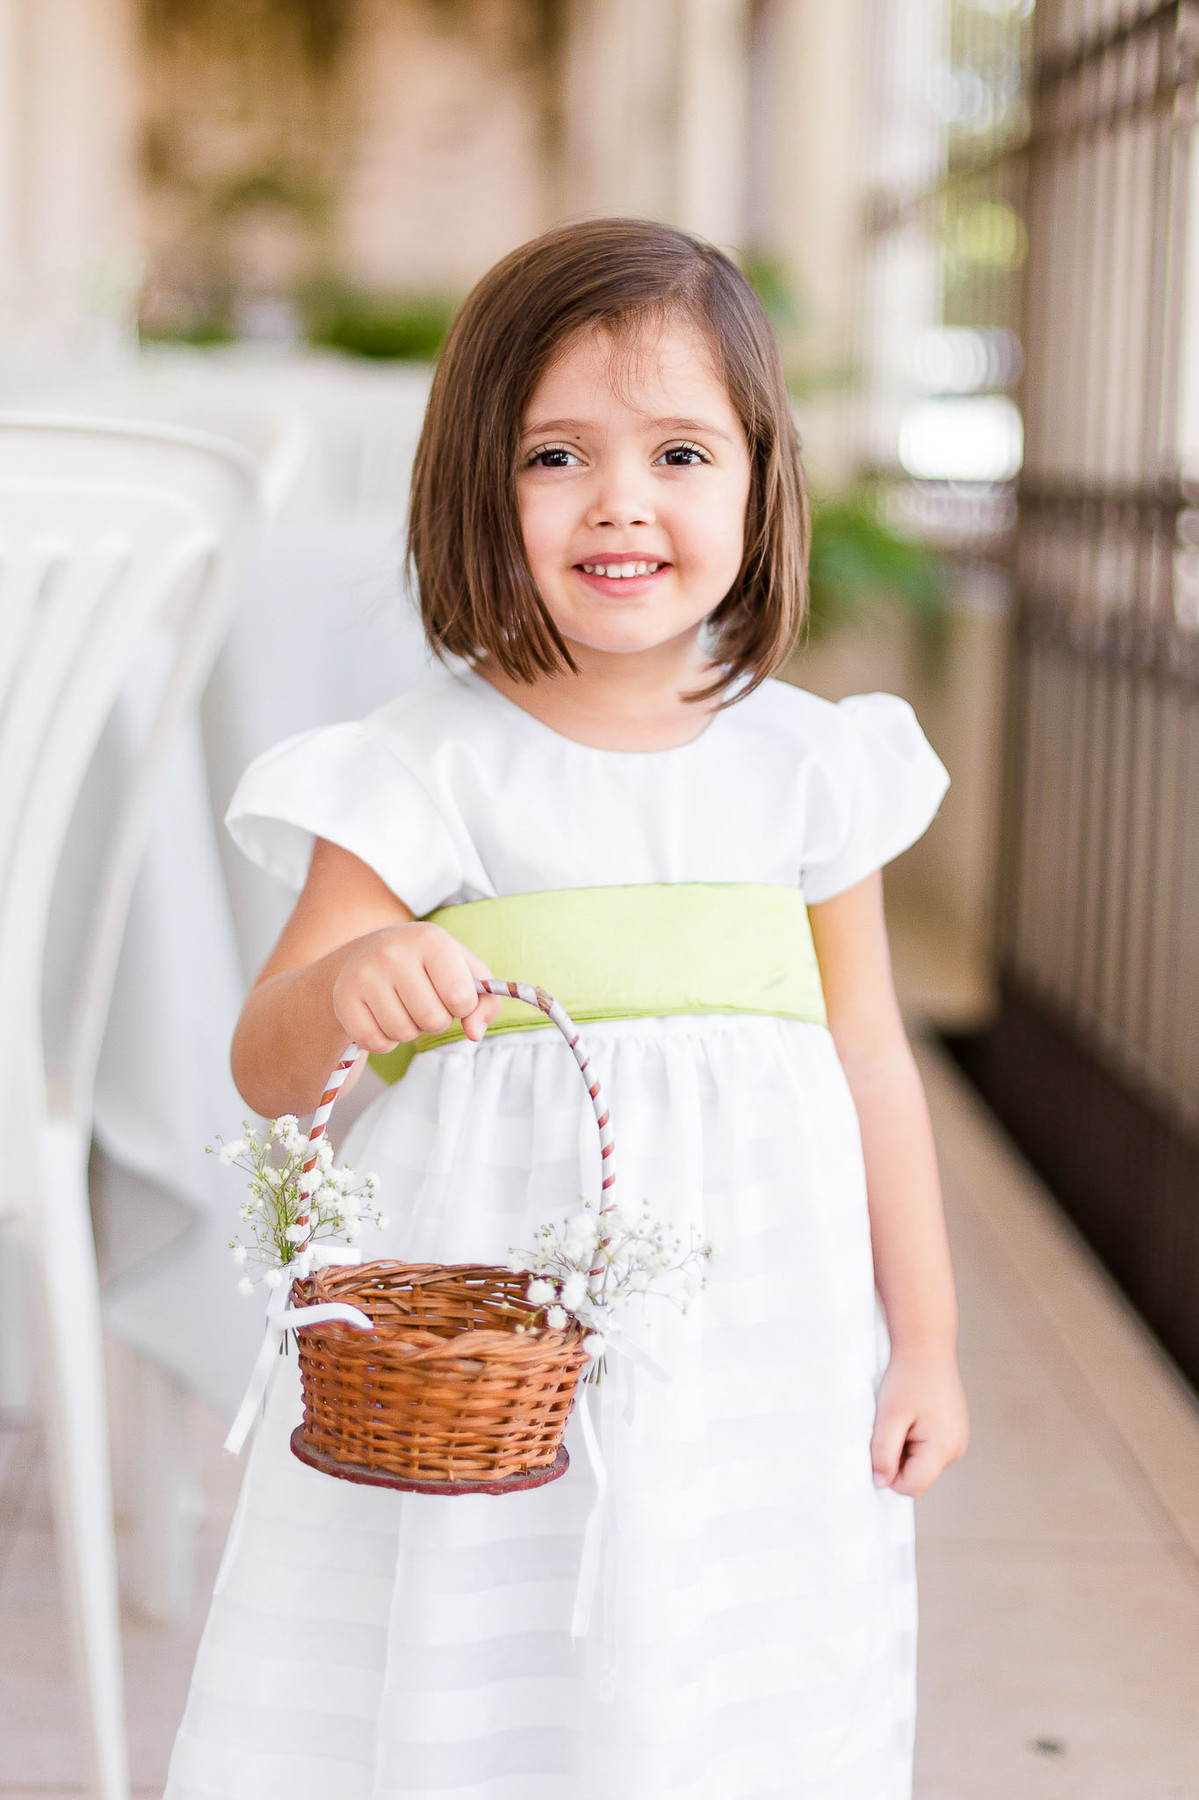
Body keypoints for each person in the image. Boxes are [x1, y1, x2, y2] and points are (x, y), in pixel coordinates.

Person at [164, 217, 969, 1800]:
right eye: (555, 455)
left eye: (681, 450)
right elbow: (268, 1064)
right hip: (493, 1364)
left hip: (764, 1351)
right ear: (478, 484)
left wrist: (924, 1346)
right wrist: (345, 983)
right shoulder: (419, 764)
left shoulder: (814, 766)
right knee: (491, 1653)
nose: (622, 503)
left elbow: (871, 1056)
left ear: (759, 481)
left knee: (728, 1658)